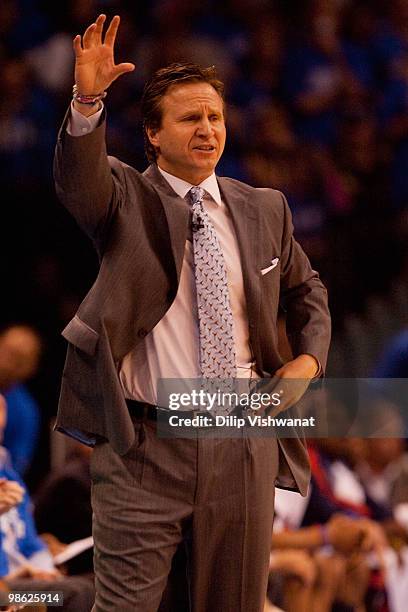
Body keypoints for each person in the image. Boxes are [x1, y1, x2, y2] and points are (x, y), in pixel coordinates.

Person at [53, 13, 331, 612]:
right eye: (189, 118)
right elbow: (79, 181)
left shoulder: (264, 208)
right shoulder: (126, 198)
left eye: (214, 117)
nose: (207, 129)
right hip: (146, 446)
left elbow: (308, 291)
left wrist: (308, 359)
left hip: (242, 438)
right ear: (153, 134)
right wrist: (88, 101)